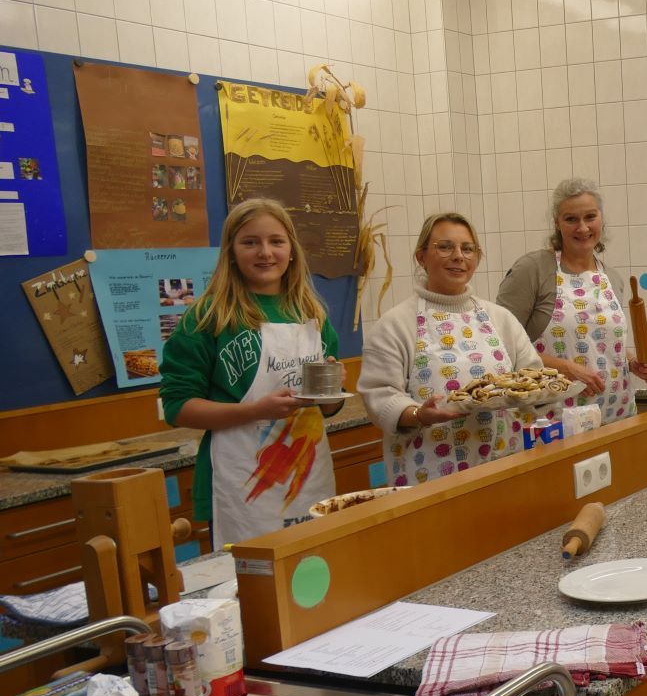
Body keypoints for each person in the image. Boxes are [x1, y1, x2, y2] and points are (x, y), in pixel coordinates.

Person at [159, 198, 341, 548]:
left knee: (313, 571)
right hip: (240, 481)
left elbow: (328, 408)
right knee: (248, 576)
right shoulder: (208, 317)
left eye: (276, 241)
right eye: (250, 242)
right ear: (231, 252)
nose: (265, 252)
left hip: (306, 474)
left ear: (292, 250)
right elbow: (178, 407)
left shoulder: (311, 314)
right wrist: (255, 411)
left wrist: (332, 389)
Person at [359, 213, 542, 485]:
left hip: (504, 465)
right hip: (429, 474)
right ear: (421, 257)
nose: (458, 256)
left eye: (467, 249)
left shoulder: (500, 318)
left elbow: (533, 376)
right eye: (445, 247)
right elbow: (380, 396)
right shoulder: (394, 325)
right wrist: (419, 414)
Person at [496, 178, 647, 424]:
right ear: (557, 223)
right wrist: (563, 367)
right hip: (554, 424)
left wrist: (631, 361)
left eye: (590, 217)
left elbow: (600, 342)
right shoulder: (533, 270)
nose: (582, 228)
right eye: (571, 219)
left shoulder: (611, 278)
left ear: (601, 219)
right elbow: (500, 347)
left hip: (617, 418)